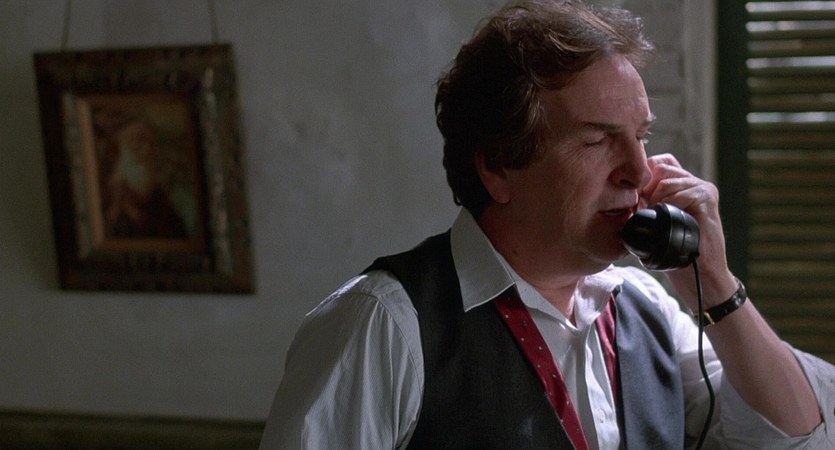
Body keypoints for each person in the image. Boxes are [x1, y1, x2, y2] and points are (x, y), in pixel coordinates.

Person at [259, 1, 835, 448]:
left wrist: (718, 288)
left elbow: (802, 438)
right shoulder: (381, 325)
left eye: (641, 136)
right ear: (498, 167)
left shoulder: (646, 306)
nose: (639, 172)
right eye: (597, 140)